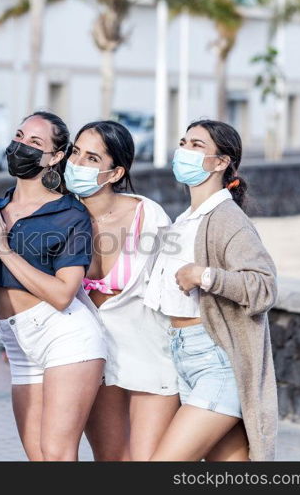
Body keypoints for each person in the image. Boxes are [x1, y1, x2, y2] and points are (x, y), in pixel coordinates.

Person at [146, 120, 278, 461]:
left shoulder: (226, 218)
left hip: (215, 360)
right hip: (184, 357)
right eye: (183, 142)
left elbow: (263, 287)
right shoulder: (188, 218)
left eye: (197, 146)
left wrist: (203, 275)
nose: (184, 151)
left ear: (221, 162)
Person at [0, 111, 107, 461]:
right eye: (20, 136)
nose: (21, 145)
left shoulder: (70, 214)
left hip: (64, 336)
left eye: (35, 142)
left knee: (57, 453)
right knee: (38, 456)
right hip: (16, 339)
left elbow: (61, 293)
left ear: (55, 157)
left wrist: (4, 250)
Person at [65, 121, 180, 461]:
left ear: (115, 173)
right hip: (93, 356)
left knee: (148, 461)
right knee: (111, 458)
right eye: (75, 153)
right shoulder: (60, 217)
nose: (77, 164)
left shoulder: (148, 215)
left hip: (151, 354)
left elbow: (174, 287)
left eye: (91, 158)